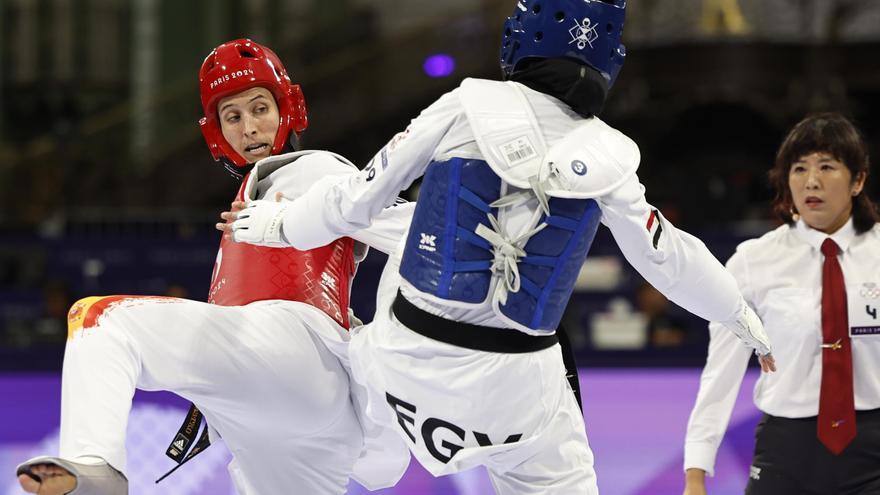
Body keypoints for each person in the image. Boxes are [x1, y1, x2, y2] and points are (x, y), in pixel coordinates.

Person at [224, 1, 775, 493]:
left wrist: (271, 224)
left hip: (405, 369)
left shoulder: (465, 106)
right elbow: (667, 258)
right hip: (517, 395)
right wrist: (740, 315)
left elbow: (355, 202)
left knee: (405, 247)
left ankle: (339, 412)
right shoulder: (610, 158)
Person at [15, 39, 410, 495]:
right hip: (299, 419)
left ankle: (95, 466)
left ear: (289, 110)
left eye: (260, 108)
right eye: (233, 117)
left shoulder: (315, 169)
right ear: (218, 133)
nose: (250, 128)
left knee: (101, 320)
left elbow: (412, 230)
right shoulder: (248, 202)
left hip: (300, 353)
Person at [682, 113, 880, 495]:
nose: (812, 181)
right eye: (799, 168)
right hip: (786, 451)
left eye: (827, 166)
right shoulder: (753, 261)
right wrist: (696, 471)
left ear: (858, 180)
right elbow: (720, 372)